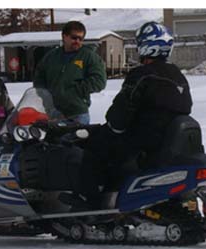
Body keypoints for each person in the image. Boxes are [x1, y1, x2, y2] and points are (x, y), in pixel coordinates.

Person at [80, 21, 193, 205]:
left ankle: (92, 203)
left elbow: (119, 116)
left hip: (143, 141)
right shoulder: (177, 74)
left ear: (145, 46)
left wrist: (110, 128)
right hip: (167, 140)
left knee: (93, 147)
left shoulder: (141, 75)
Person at [33, 21, 107, 124]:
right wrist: (45, 95)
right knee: (53, 140)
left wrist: (75, 92)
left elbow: (99, 81)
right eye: (74, 37)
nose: (77, 41)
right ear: (64, 36)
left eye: (80, 38)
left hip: (77, 113)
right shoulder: (51, 57)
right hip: (53, 112)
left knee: (76, 140)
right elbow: (39, 77)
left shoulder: (89, 56)